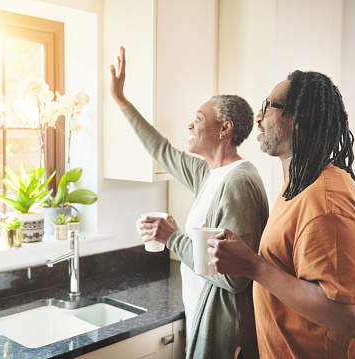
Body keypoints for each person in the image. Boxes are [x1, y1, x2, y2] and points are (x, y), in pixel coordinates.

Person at [110, 47, 269, 359]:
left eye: (198, 119)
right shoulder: (208, 173)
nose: (190, 126)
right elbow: (161, 150)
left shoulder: (238, 183)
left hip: (226, 334)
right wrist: (121, 100)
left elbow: (235, 277)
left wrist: (172, 237)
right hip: (200, 317)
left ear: (225, 129)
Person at [208, 70, 355, 358]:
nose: (258, 118)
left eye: (268, 107)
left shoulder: (326, 201)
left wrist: (253, 266)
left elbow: (351, 318)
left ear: (300, 118)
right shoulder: (298, 185)